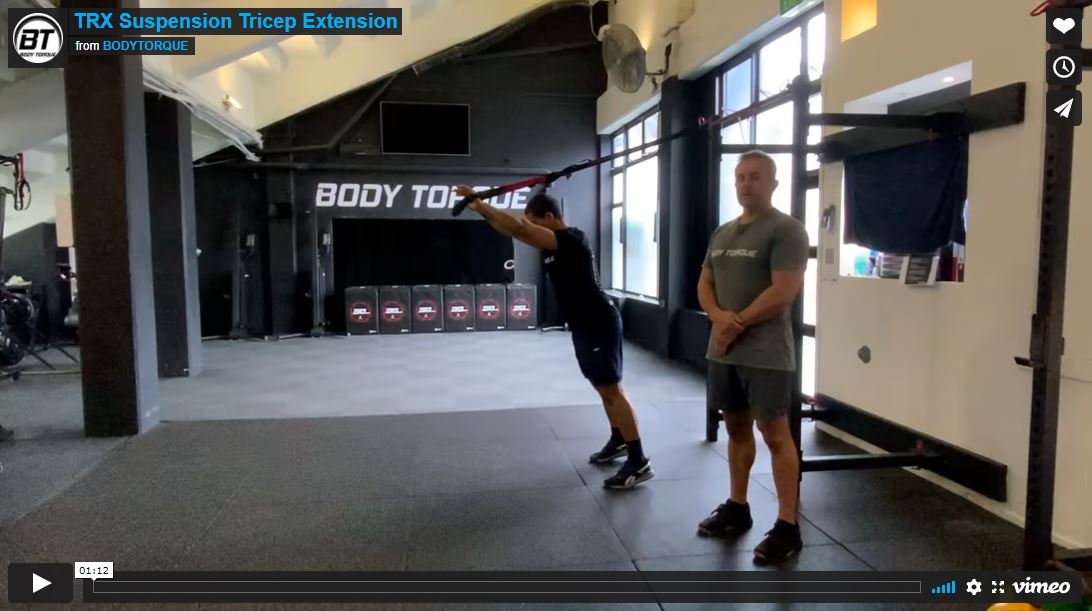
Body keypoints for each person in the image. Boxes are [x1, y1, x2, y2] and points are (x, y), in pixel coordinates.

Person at [455, 185, 654, 490]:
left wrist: (482, 206)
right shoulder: (552, 245)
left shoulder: (571, 239)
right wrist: (481, 210)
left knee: (612, 389)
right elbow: (514, 229)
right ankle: (619, 439)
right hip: (586, 324)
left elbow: (519, 228)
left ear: (550, 217)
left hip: (598, 321)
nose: (532, 228)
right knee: (603, 387)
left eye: (536, 222)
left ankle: (639, 461)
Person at [695, 151, 809, 564]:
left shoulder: (787, 230)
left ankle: (787, 526)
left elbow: (784, 291)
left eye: (755, 177)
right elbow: (704, 284)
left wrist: (735, 322)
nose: (746, 184)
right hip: (724, 351)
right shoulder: (722, 233)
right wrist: (718, 317)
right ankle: (737, 506)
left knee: (775, 434)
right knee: (736, 428)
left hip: (767, 355)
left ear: (773, 183)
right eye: (741, 177)